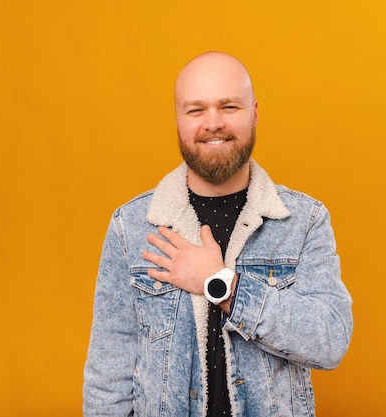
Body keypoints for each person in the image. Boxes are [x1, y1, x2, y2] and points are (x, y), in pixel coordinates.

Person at [83, 51, 353, 417]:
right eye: (196, 110)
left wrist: (221, 283)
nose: (213, 123)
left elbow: (329, 340)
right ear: (178, 120)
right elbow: (108, 377)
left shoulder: (303, 220)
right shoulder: (131, 227)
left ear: (254, 113)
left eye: (229, 107)